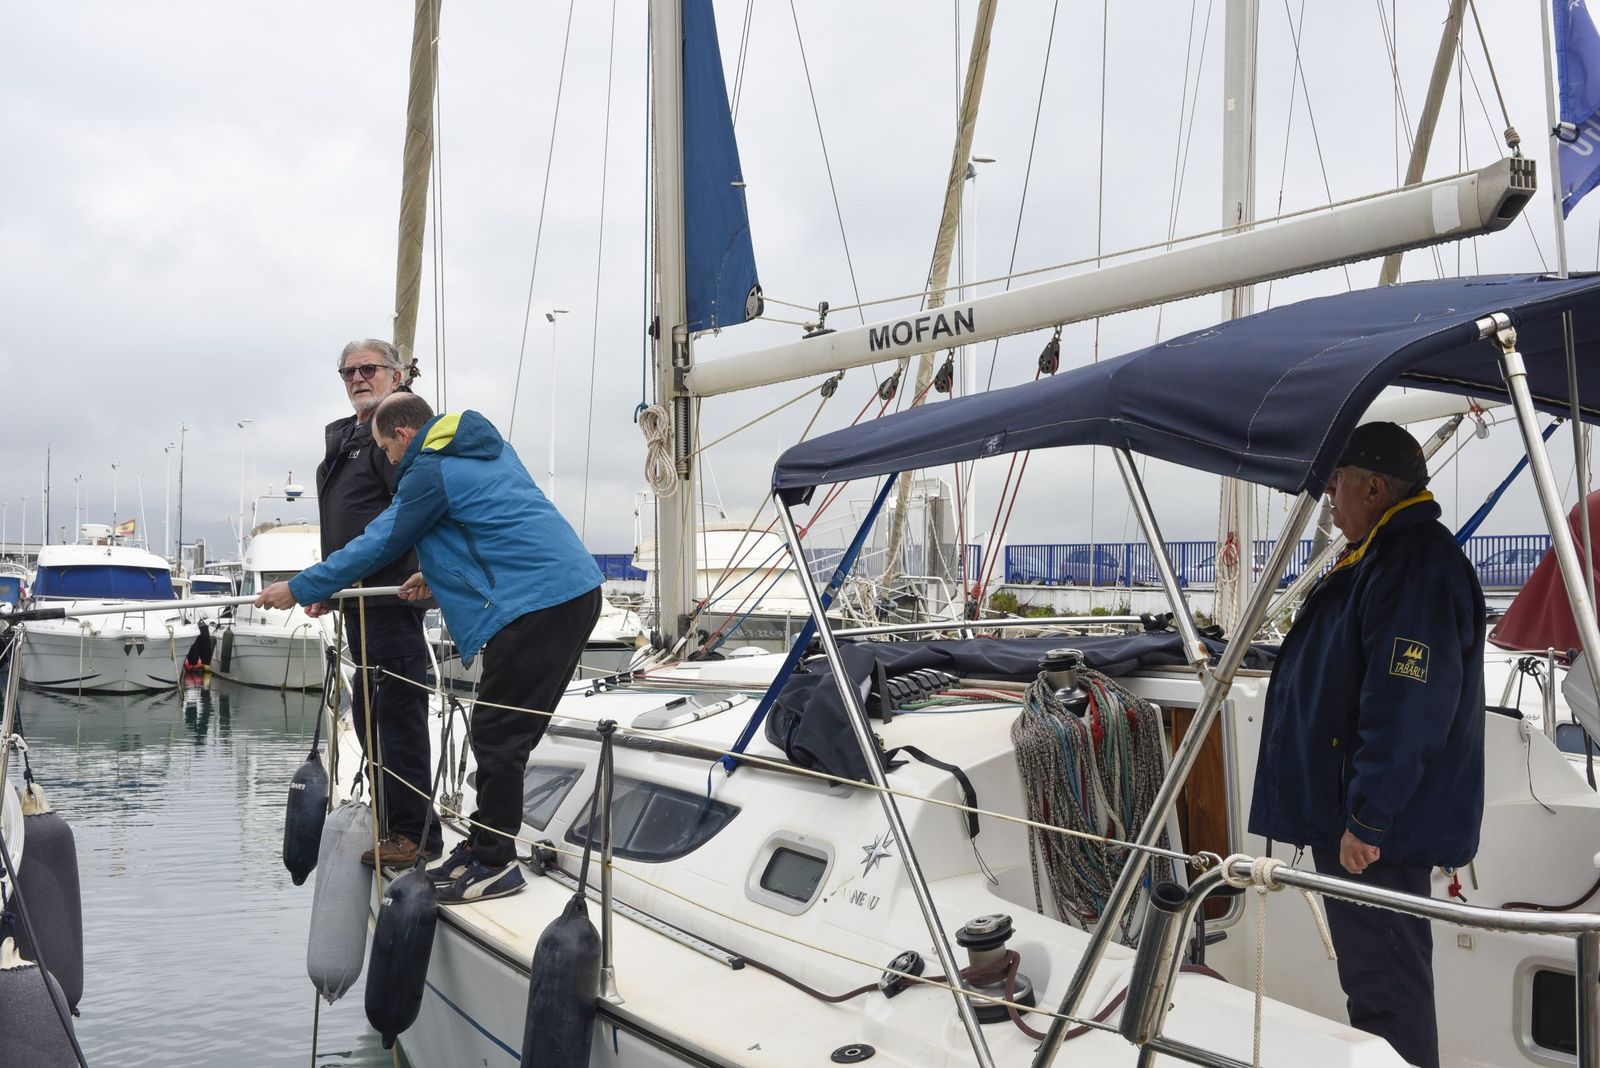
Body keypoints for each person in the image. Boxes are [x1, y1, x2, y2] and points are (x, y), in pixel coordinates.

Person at [258, 392, 603, 904]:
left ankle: (491, 863)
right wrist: (438, 576)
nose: (390, 463)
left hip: (539, 606)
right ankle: (487, 842)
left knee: (496, 733)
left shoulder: (429, 470)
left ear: (402, 435)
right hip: (572, 592)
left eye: (387, 451)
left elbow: (379, 541)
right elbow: (493, 530)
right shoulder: (489, 452)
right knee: (507, 733)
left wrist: (301, 587)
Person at [1248, 421, 1485, 1068]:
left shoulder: (1412, 568)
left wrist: (1367, 818)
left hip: (1379, 835)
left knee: (1386, 994)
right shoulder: (1390, 555)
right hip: (1371, 825)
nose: (1330, 495)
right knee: (1379, 984)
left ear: (1374, 488)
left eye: (1338, 484)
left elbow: (1406, 707)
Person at [313, 339, 439, 869]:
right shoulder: (347, 440)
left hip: (390, 602)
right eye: (348, 372)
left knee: (398, 720)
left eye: (369, 369)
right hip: (357, 604)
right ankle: (394, 823)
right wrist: (329, 586)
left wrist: (430, 572)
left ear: (395, 375)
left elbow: (424, 507)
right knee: (369, 719)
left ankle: (416, 835)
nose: (357, 378)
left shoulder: (399, 437)